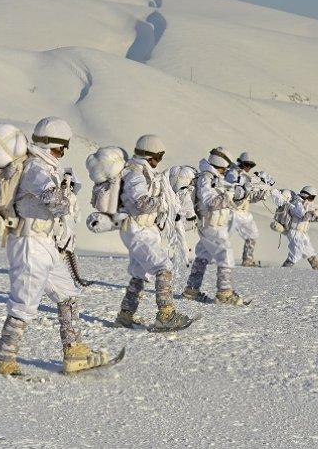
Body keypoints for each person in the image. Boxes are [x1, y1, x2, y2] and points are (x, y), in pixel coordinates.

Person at [0, 117, 109, 376]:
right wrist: (67, 191)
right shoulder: (36, 168)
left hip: (46, 243)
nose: (61, 153)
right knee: (24, 302)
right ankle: (5, 359)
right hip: (29, 243)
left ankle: (74, 351)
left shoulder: (44, 167)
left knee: (67, 293)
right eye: (60, 149)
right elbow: (54, 202)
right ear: (51, 146)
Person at [114, 135, 194, 331]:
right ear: (151, 156)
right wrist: (163, 203)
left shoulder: (145, 172)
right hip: (136, 228)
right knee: (163, 267)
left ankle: (126, 314)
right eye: (158, 156)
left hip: (145, 229)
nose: (159, 161)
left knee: (140, 272)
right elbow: (141, 202)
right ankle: (166, 315)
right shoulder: (135, 174)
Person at [182, 147, 249, 305]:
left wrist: (239, 194)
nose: (226, 171)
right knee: (225, 255)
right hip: (210, 224)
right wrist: (230, 195)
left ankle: (191, 290)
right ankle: (224, 293)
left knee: (203, 255)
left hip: (216, 224)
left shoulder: (216, 177)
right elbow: (210, 201)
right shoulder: (206, 177)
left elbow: (228, 199)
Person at [225, 152, 273, 267]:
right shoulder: (232, 174)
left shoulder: (247, 178)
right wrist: (245, 189)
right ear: (241, 162)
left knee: (252, 234)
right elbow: (232, 193)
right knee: (221, 236)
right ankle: (206, 258)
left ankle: (248, 260)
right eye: (247, 164)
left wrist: (261, 194)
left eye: (251, 165)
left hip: (243, 212)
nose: (248, 167)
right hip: (230, 211)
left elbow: (249, 198)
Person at [282, 185, 318, 270]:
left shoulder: (306, 204)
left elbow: (308, 219)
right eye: (311, 197)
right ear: (306, 195)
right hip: (295, 231)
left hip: (302, 233)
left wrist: (317, 216)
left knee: (310, 252)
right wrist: (313, 213)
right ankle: (283, 271)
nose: (312, 200)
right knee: (296, 254)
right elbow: (302, 215)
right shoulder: (297, 203)